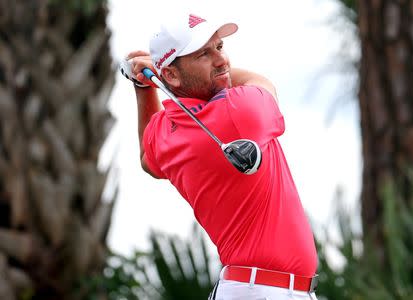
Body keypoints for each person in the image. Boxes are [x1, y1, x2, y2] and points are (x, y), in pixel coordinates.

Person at [121, 12, 319, 300]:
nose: (221, 60)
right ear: (172, 75)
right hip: (266, 291)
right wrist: (155, 73)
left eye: (220, 47)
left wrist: (144, 86)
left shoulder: (165, 134)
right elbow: (261, 81)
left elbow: (146, 159)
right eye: (204, 54)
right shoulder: (239, 113)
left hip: (252, 289)